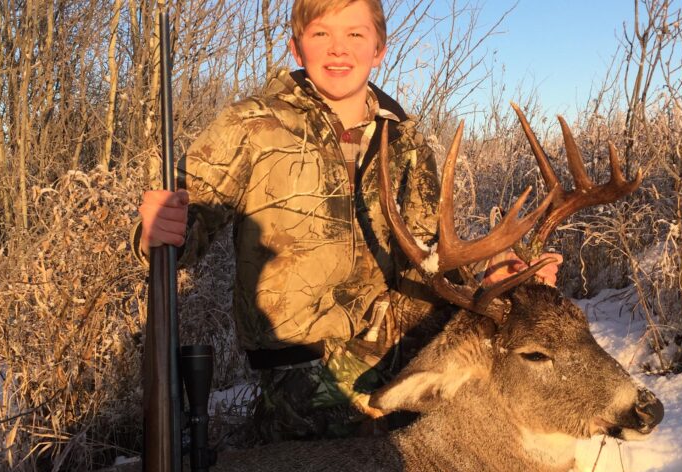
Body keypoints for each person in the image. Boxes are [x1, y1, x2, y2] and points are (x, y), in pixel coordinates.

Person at [133, 0, 560, 442]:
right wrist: (163, 231)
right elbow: (188, 216)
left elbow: (428, 252)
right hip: (304, 364)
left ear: (379, 49)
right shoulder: (252, 126)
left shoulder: (406, 139)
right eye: (321, 34)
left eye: (355, 35)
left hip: (402, 347)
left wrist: (488, 273)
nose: (338, 49)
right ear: (296, 48)